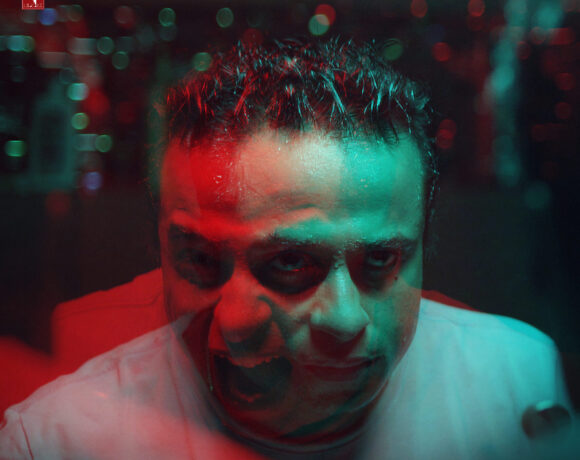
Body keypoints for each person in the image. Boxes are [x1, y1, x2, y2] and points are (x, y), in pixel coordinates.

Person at [0, 38, 576, 459]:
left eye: (380, 260)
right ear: (169, 256)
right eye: (291, 263)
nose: (344, 320)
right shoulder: (53, 440)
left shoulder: (519, 382)